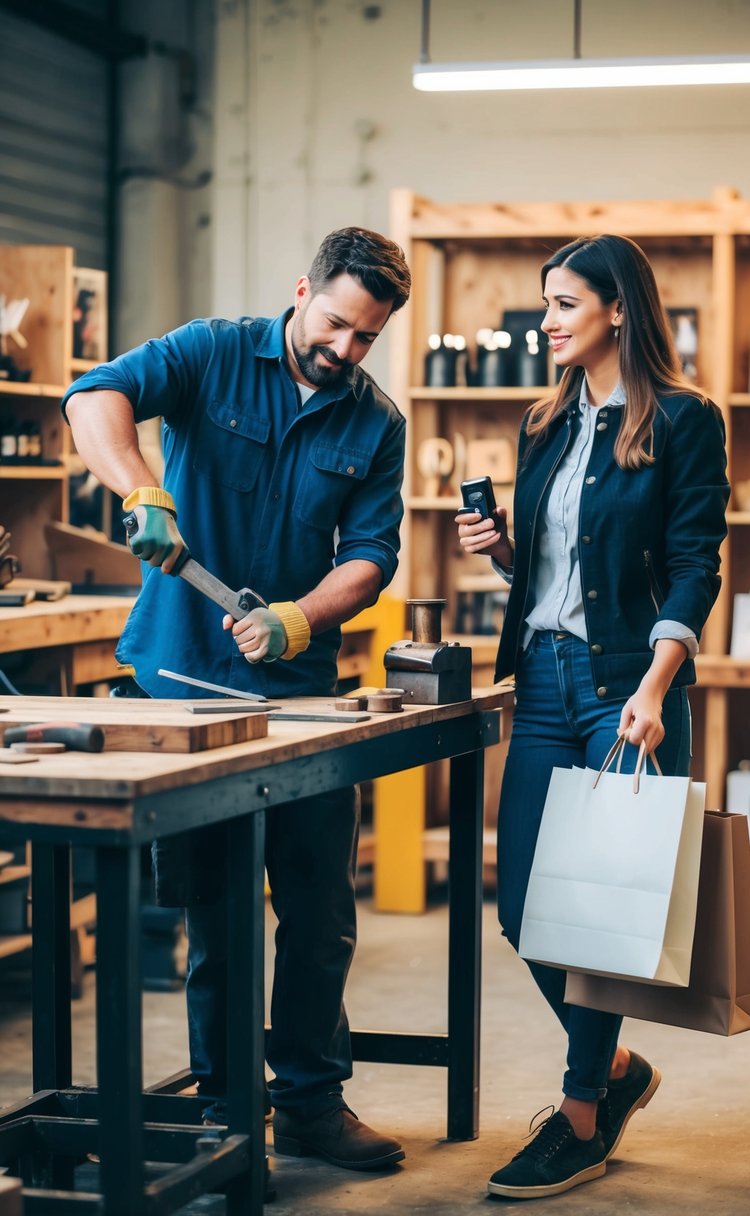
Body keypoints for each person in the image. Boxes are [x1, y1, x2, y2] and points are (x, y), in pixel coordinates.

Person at [63, 227, 411, 1171]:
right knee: (217, 912)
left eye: (364, 339)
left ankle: (307, 1102)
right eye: (334, 324)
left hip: (298, 697)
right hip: (178, 680)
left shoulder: (375, 422)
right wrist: (141, 491)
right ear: (303, 290)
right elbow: (93, 394)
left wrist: (302, 617)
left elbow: (372, 555)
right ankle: (226, 1115)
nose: (342, 351)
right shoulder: (212, 352)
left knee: (319, 910)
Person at [456, 234, 729, 1200]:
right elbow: (553, 568)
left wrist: (654, 690)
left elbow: (696, 563)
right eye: (545, 305)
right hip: (540, 679)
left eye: (563, 304)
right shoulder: (544, 424)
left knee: (598, 922)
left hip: (625, 687)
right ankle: (615, 1073)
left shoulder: (685, 420)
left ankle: (577, 1115)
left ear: (618, 309)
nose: (546, 321)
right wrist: (500, 551)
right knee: (524, 906)